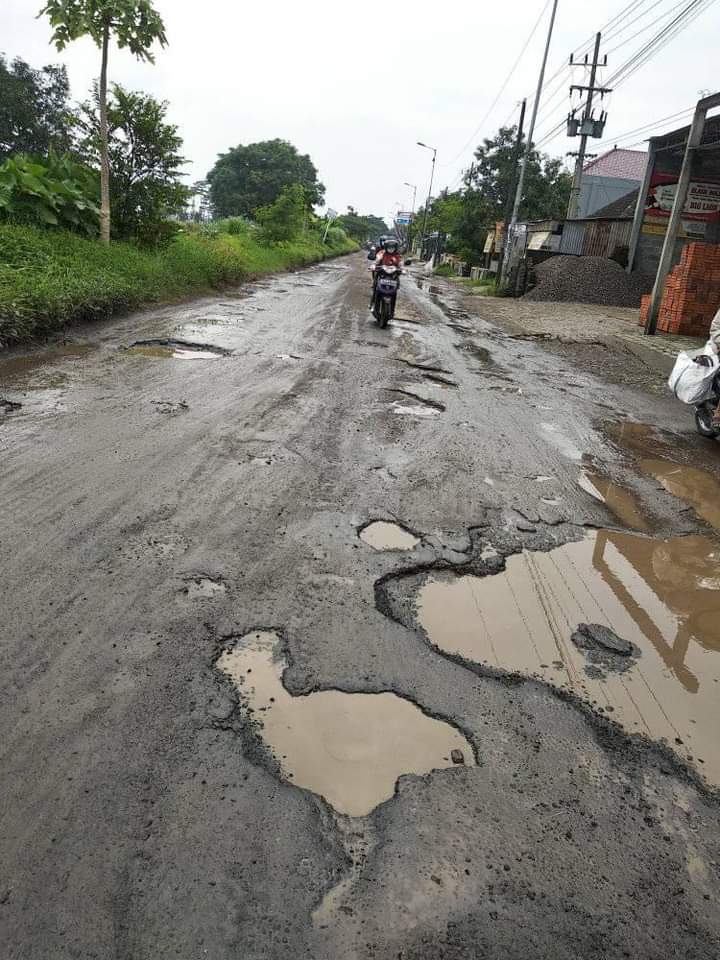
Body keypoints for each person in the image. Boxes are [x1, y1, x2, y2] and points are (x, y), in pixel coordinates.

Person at [370, 238, 403, 309]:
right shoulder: (382, 253)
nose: (391, 249)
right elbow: (377, 260)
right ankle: (372, 303)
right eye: (389, 247)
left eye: (392, 247)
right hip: (382, 273)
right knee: (375, 287)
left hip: (393, 275)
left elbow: (400, 263)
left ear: (395, 248)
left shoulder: (397, 255)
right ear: (386, 247)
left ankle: (392, 309)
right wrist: (374, 265)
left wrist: (402, 269)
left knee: (395, 291)